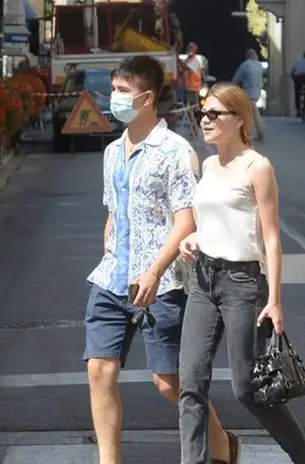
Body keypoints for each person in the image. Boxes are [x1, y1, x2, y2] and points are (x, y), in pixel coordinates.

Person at [83, 55, 235, 464]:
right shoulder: (112, 152)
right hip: (113, 278)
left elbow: (186, 221)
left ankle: (222, 445)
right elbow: (115, 212)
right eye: (112, 90)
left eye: (121, 91)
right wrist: (111, 246)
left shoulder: (176, 151)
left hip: (164, 282)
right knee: (99, 370)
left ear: (146, 98)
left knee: (169, 382)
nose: (112, 98)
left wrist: (153, 270)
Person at [177, 82, 305, 464]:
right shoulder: (208, 165)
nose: (204, 120)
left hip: (244, 284)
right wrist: (195, 236)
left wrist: (275, 300)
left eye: (214, 114)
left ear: (239, 120)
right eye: (202, 112)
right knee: (190, 384)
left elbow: (272, 240)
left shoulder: (257, 167)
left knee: (247, 388)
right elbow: (213, 219)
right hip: (203, 281)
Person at [232, 48, 266, 141]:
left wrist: (231, 87)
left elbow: (236, 78)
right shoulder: (259, 65)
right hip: (257, 92)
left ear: (247, 56)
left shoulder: (245, 65)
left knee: (249, 114)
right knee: (252, 112)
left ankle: (252, 134)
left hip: (248, 93)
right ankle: (257, 133)